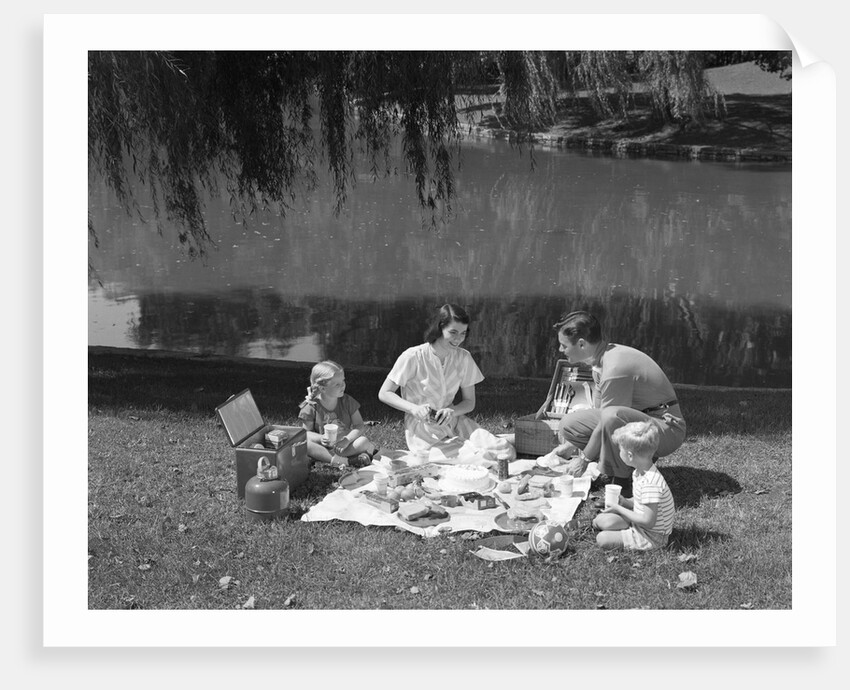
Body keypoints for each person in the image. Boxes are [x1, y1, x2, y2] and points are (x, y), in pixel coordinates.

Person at [540, 311, 686, 495]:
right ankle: (623, 463)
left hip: (666, 430)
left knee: (611, 416)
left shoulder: (615, 368)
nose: (560, 350)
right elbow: (599, 413)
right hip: (643, 422)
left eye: (564, 345)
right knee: (569, 425)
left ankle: (621, 484)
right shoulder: (599, 363)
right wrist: (571, 446)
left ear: (582, 344)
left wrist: (584, 459)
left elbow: (608, 420)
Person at [378, 303, 513, 460]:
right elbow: (384, 393)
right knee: (475, 457)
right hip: (424, 431)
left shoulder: (464, 357)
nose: (458, 339)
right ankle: (473, 447)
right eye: (453, 332)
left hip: (454, 421)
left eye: (463, 333)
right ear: (439, 328)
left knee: (504, 450)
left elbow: (469, 402)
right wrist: (414, 409)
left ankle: (492, 441)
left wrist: (452, 411)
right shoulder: (413, 356)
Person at [592, 421, 675, 551]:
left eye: (620, 450)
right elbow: (641, 501)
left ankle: (624, 532)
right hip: (639, 522)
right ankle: (594, 523)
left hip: (652, 536)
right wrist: (624, 502)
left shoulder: (650, 483)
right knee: (602, 520)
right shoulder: (639, 472)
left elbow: (648, 521)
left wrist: (618, 508)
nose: (619, 453)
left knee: (602, 539)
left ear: (630, 455)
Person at [298, 360, 381, 467]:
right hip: (323, 448)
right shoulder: (311, 406)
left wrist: (346, 440)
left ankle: (340, 459)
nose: (343, 386)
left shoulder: (347, 401)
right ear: (323, 388)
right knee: (306, 444)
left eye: (343, 381)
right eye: (337, 384)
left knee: (363, 441)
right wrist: (320, 438)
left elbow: (359, 425)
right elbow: (305, 433)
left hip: (344, 447)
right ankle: (347, 461)